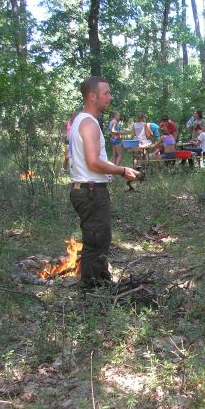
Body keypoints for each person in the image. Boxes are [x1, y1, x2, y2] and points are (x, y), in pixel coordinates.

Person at [69, 77, 139, 289]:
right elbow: (92, 162)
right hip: (90, 192)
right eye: (106, 93)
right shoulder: (88, 123)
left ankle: (100, 284)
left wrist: (120, 170)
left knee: (99, 239)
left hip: (88, 190)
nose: (110, 97)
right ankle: (92, 292)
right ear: (93, 96)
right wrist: (121, 170)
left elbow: (95, 159)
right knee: (96, 242)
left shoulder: (83, 121)